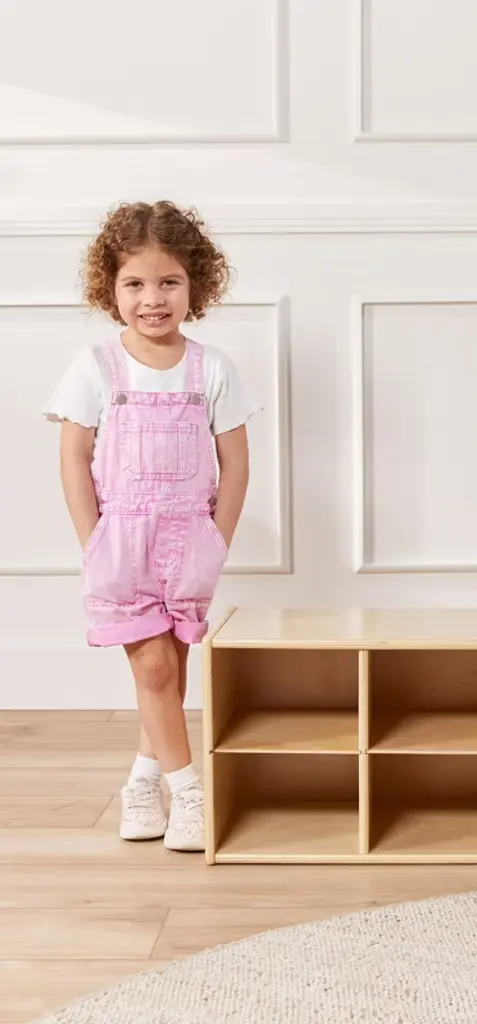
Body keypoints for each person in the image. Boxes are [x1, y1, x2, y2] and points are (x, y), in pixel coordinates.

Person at [42, 201, 258, 852]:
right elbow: (74, 458)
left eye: (169, 282)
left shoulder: (211, 369)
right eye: (134, 283)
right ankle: (189, 792)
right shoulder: (96, 366)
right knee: (156, 668)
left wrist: (216, 541)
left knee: (167, 671)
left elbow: (236, 464)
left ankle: (141, 782)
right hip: (121, 544)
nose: (152, 299)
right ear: (109, 288)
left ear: (196, 284)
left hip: (190, 543)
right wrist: (95, 542)